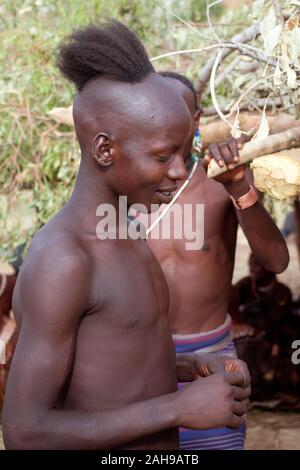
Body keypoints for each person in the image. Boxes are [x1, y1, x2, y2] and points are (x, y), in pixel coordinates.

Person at [2, 20, 250, 450]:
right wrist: (178, 408)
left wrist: (189, 366)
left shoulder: (126, 229)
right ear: (104, 150)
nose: (179, 170)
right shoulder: (65, 260)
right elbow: (25, 431)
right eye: (163, 155)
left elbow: (109, 361)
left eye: (184, 151)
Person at [139, 72, 289, 449]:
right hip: (139, 358)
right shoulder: (126, 185)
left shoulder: (220, 178)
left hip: (212, 359)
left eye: (179, 115)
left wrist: (239, 185)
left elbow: (276, 260)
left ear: (197, 118)